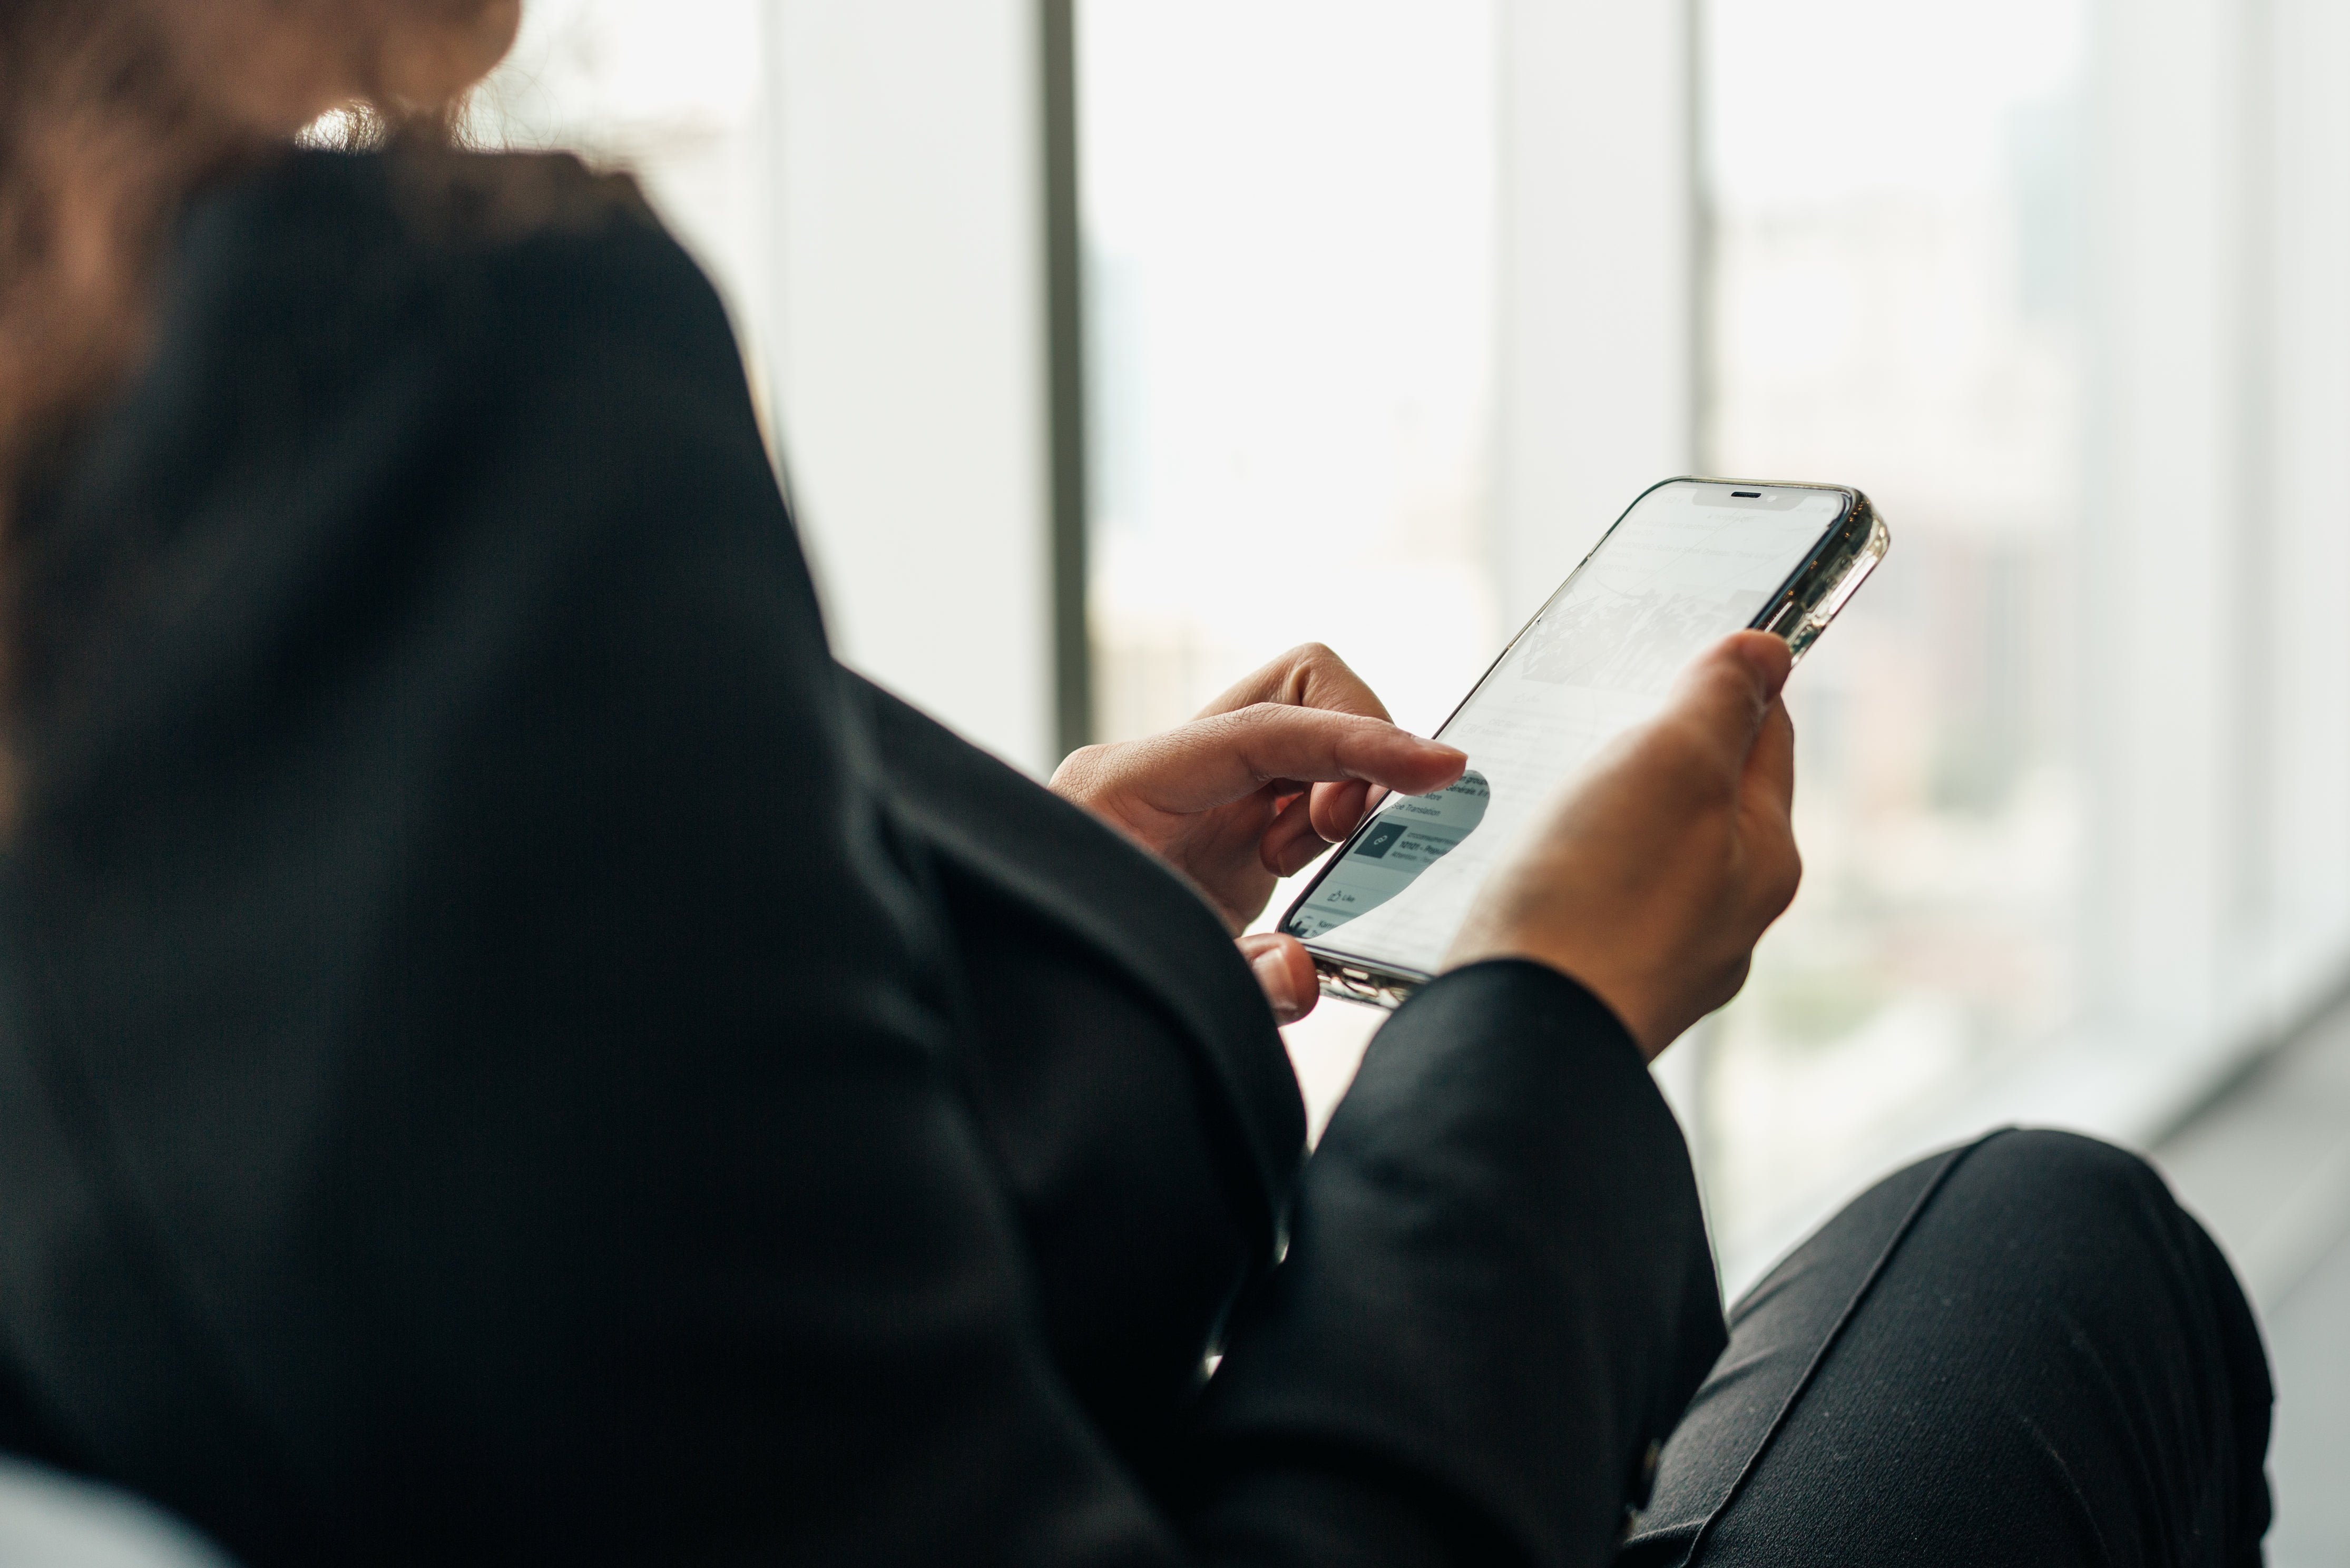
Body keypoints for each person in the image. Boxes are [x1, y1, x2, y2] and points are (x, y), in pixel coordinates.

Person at [0, 3, 2273, 1564]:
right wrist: (1549, 1002)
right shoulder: (391, 395)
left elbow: (512, 1209)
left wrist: (999, 886)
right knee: (2048, 1245)